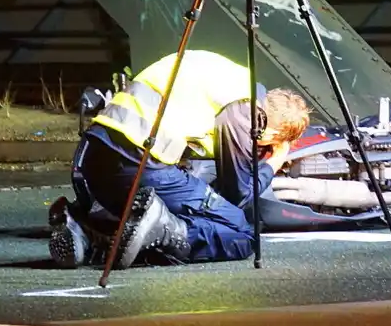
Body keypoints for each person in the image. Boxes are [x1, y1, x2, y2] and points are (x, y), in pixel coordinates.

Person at [46, 49, 311, 269]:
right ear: (273, 131)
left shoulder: (228, 75)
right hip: (140, 163)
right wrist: (274, 161)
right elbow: (238, 194)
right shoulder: (246, 107)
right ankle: (161, 230)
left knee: (151, 210)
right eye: (265, 142)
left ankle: (85, 227)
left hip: (94, 159)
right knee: (240, 231)